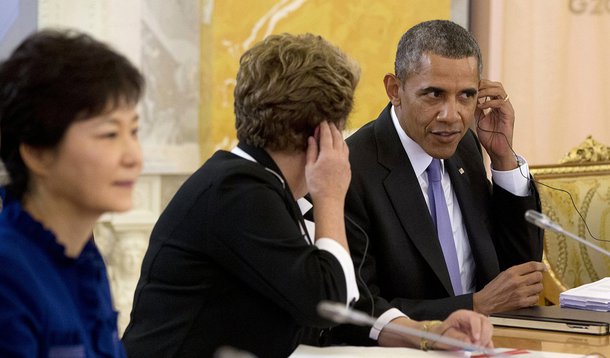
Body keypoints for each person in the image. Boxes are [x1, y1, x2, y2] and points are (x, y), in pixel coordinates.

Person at [122, 33, 492, 357]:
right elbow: (326, 303)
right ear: (323, 129)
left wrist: (425, 332)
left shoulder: (256, 184)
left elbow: (345, 306)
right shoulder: (238, 191)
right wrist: (330, 196)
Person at [332, 20, 546, 345]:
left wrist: (503, 158)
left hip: (488, 343)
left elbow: (519, 278)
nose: (452, 115)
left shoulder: (467, 147)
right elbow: (358, 311)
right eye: (434, 94)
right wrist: (474, 305)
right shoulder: (350, 169)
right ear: (394, 90)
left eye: (466, 96)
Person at [0, 30, 144, 357]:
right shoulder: (7, 273)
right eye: (109, 134)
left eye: (133, 131)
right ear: (37, 153)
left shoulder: (85, 259)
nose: (133, 156)